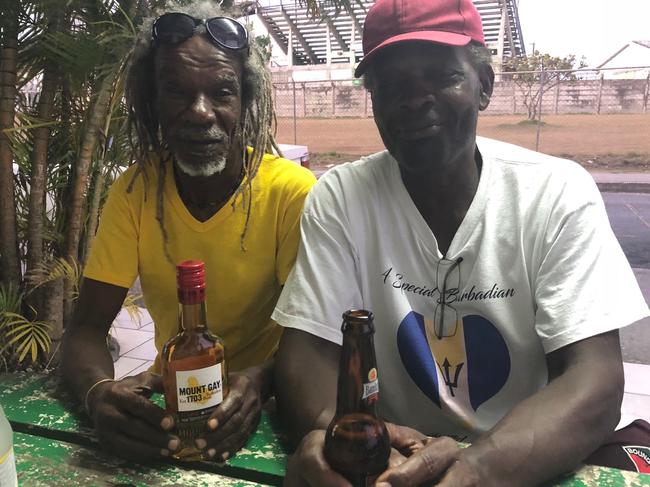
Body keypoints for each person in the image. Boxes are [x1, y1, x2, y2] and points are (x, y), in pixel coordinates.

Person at [272, 0, 650, 485]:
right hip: (391, 457)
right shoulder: (342, 196)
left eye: (440, 75)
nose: (414, 99)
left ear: (484, 86)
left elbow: (593, 379)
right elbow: (307, 354)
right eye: (391, 86)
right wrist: (352, 440)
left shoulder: (554, 193)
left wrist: (477, 469)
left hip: (524, 457)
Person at [61, 1, 315, 464]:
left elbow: (315, 341)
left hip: (273, 405)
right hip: (172, 410)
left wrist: (258, 381)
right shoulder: (135, 190)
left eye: (221, 92)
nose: (200, 113)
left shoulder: (290, 194)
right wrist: (100, 394)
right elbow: (86, 330)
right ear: (152, 102)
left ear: (246, 101)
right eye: (176, 92)